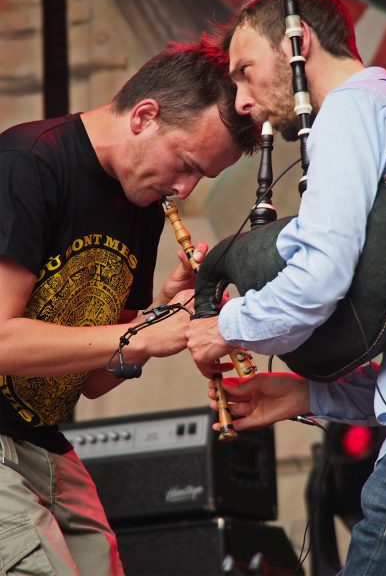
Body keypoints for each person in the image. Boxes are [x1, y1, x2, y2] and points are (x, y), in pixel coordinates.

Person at [0, 36, 257, 576]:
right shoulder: (28, 163)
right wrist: (137, 335)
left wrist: (160, 316)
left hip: (39, 441)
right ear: (144, 116)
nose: (183, 189)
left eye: (200, 178)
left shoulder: (141, 202)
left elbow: (92, 380)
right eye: (185, 163)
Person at [187, 0, 386, 575]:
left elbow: (320, 275)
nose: (243, 100)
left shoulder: (350, 110)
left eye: (245, 71)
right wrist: (307, 394)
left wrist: (223, 328)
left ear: (295, 39)